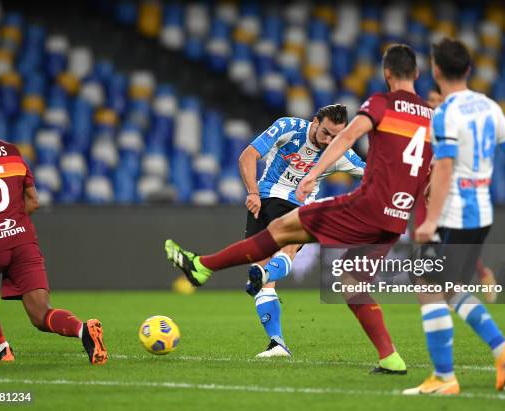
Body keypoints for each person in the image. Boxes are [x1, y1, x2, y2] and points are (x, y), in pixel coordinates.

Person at [166, 43, 435, 375]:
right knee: (350, 280)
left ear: (387, 73)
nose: (326, 139)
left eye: (331, 135)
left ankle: (204, 267)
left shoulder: (379, 104)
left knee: (281, 235)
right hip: (394, 216)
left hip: (355, 205)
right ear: (419, 74)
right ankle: (386, 358)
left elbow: (348, 139)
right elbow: (430, 165)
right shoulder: (430, 116)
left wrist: (310, 177)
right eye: (324, 132)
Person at [403, 38, 505, 395]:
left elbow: (445, 166)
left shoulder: (447, 112)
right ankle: (502, 349)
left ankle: (444, 378)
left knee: (428, 288)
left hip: (454, 216)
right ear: (468, 69)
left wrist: (430, 221)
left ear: (435, 70)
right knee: (449, 289)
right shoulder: (490, 106)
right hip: (482, 213)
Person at [0, 95, 107, 365]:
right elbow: (34, 201)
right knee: (41, 314)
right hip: (22, 239)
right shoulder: (12, 152)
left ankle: (2, 349)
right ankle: (83, 330)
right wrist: (10, 222)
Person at [239, 104, 365, 357]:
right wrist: (252, 191)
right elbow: (248, 156)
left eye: (336, 137)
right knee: (265, 281)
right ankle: (277, 343)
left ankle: (264, 277)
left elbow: (374, 173)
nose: (329, 141)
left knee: (285, 251)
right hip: (264, 200)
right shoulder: (288, 127)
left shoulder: (340, 153)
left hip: (299, 206)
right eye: (326, 133)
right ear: (315, 121)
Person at [421, 85, 499, 303]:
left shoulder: (452, 125)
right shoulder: (424, 125)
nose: (434, 104)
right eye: (431, 100)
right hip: (425, 188)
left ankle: (469, 280)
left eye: (439, 100)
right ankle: (453, 286)